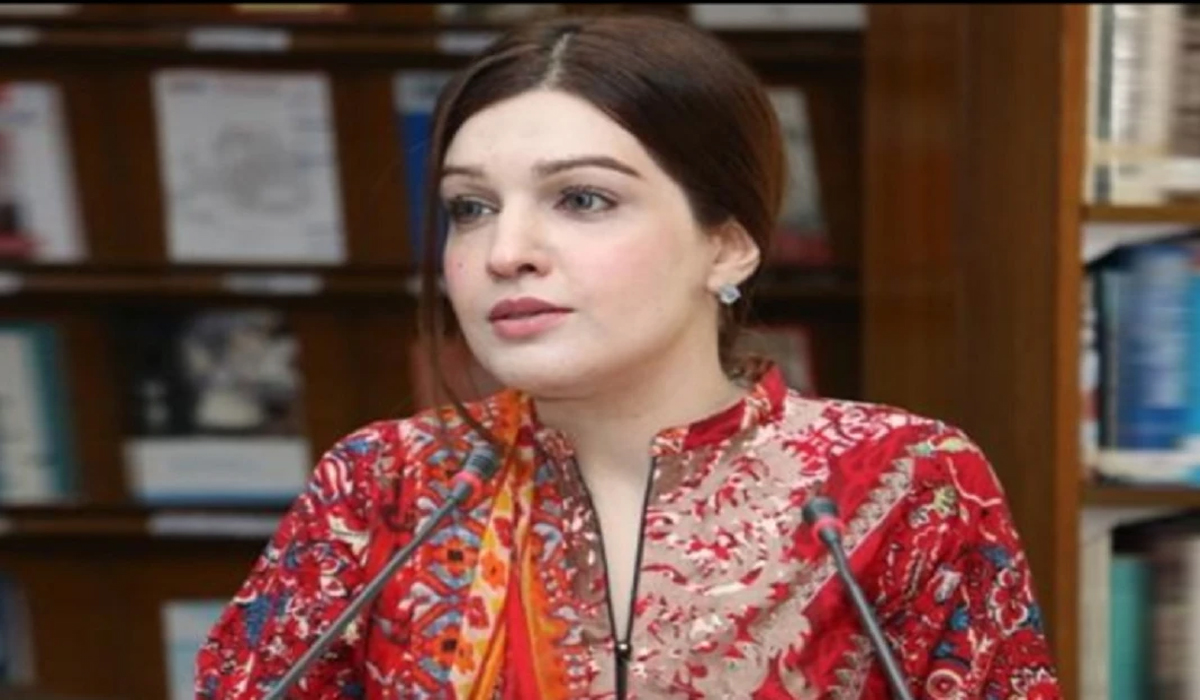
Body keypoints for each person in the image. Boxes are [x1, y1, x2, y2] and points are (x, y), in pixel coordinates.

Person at [195, 12, 1061, 700]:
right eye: (470, 208)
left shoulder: (897, 483)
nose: (506, 252)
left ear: (727, 245)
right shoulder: (387, 485)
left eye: (582, 199)